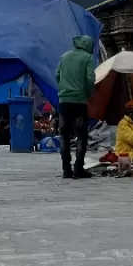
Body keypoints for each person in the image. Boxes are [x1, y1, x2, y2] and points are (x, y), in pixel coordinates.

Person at [55, 32, 96, 180]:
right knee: (81, 135)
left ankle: (66, 169)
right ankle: (78, 168)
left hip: (64, 102)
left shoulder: (64, 56)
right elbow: (90, 79)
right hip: (80, 102)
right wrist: (87, 94)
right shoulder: (87, 58)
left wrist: (63, 89)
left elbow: (57, 75)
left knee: (64, 135)